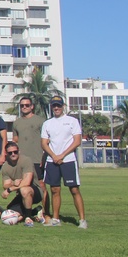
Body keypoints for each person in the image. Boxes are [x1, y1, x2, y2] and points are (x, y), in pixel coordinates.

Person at [41, 95, 85, 228]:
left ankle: (82, 220)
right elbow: (44, 143)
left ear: (63, 106)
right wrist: (54, 156)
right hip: (52, 160)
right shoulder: (47, 123)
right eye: (54, 105)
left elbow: (77, 141)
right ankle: (55, 219)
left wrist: (62, 155)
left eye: (58, 105)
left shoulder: (72, 121)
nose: (56, 108)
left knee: (74, 189)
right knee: (55, 189)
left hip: (69, 160)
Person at [12, 95, 47, 215]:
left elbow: (46, 140)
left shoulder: (40, 121)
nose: (24, 107)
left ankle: (46, 212)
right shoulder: (17, 123)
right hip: (22, 161)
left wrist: (44, 156)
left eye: (27, 105)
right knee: (22, 186)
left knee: (42, 186)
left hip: (37, 159)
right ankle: (26, 211)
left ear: (32, 106)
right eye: (22, 106)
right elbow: (15, 140)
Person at [0, 142, 43, 227]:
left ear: (19, 151)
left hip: (34, 191)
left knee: (24, 190)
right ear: (6, 153)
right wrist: (12, 183)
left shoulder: (26, 160)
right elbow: (6, 184)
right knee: (10, 216)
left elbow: (27, 182)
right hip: (20, 194)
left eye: (15, 152)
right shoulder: (5, 167)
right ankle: (35, 211)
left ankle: (28, 219)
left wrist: (10, 189)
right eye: (10, 153)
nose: (13, 154)